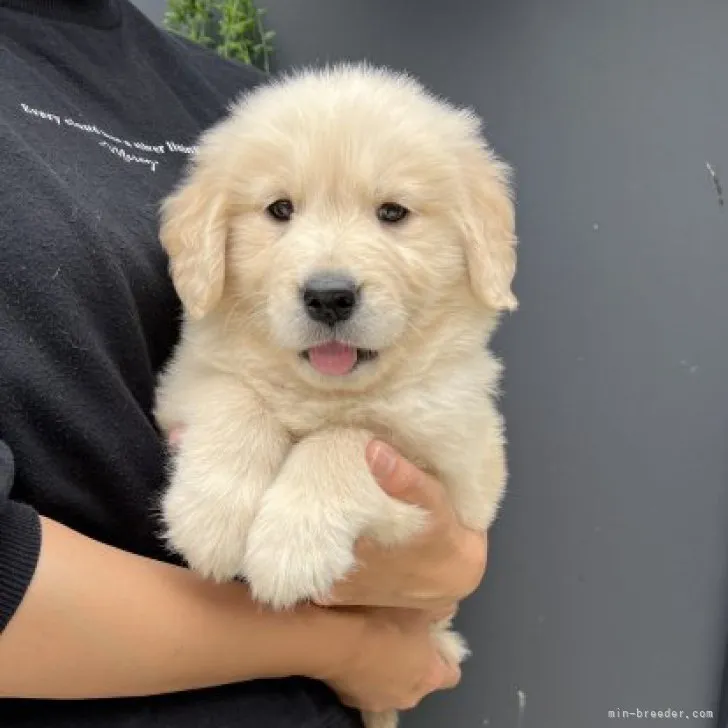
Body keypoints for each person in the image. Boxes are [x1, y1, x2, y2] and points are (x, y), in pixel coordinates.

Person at [0, 0, 489, 725]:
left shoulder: (228, 95)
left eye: (391, 212)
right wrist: (346, 648)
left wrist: (445, 560)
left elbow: (450, 539)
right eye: (281, 211)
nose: (329, 265)